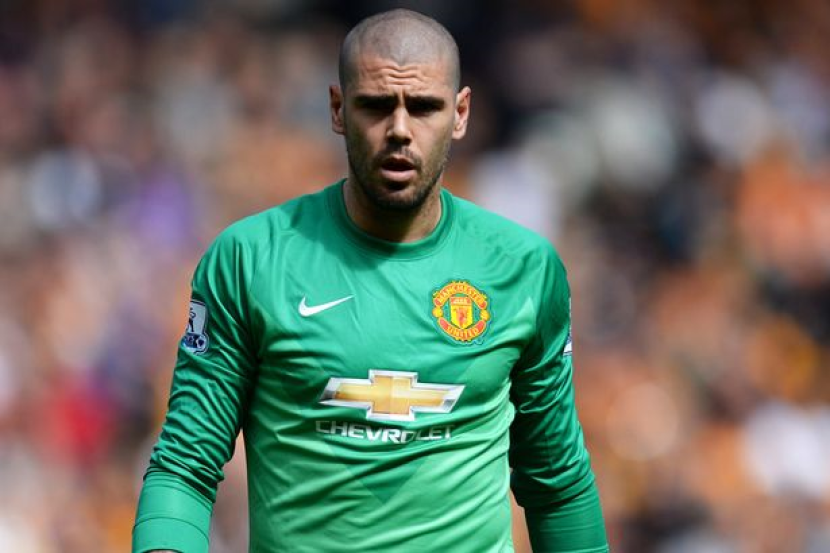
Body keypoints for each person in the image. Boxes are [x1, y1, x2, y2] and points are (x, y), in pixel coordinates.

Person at [133, 8, 608, 553]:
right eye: (377, 106)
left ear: (460, 113)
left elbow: (557, 483)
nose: (400, 130)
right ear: (338, 109)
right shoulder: (251, 260)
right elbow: (185, 466)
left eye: (424, 107)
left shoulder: (524, 269)